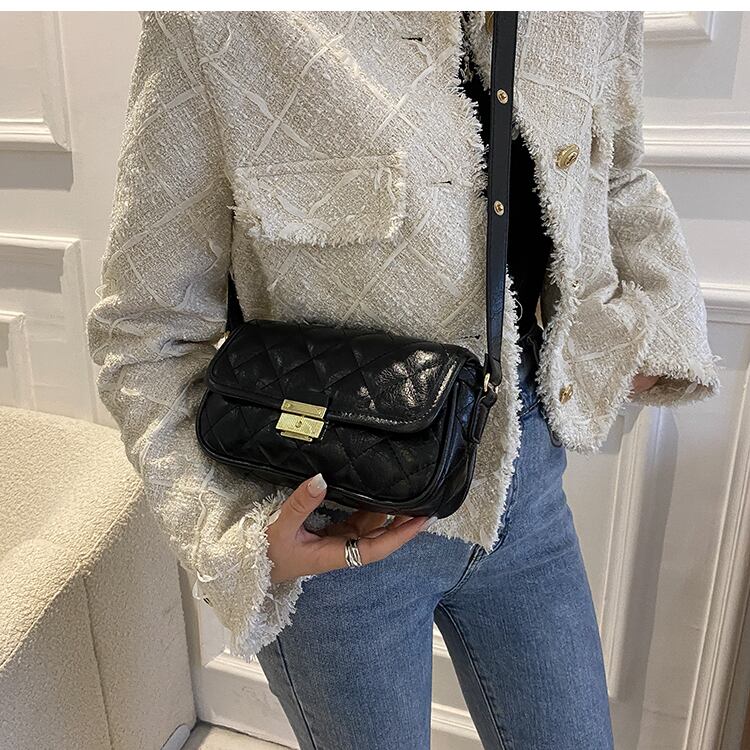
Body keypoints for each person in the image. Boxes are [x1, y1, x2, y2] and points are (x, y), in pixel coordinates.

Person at [87, 11, 720, 749]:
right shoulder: (221, 25)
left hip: (528, 486)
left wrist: (656, 328)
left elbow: (617, 174)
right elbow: (145, 331)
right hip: (331, 526)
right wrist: (234, 537)